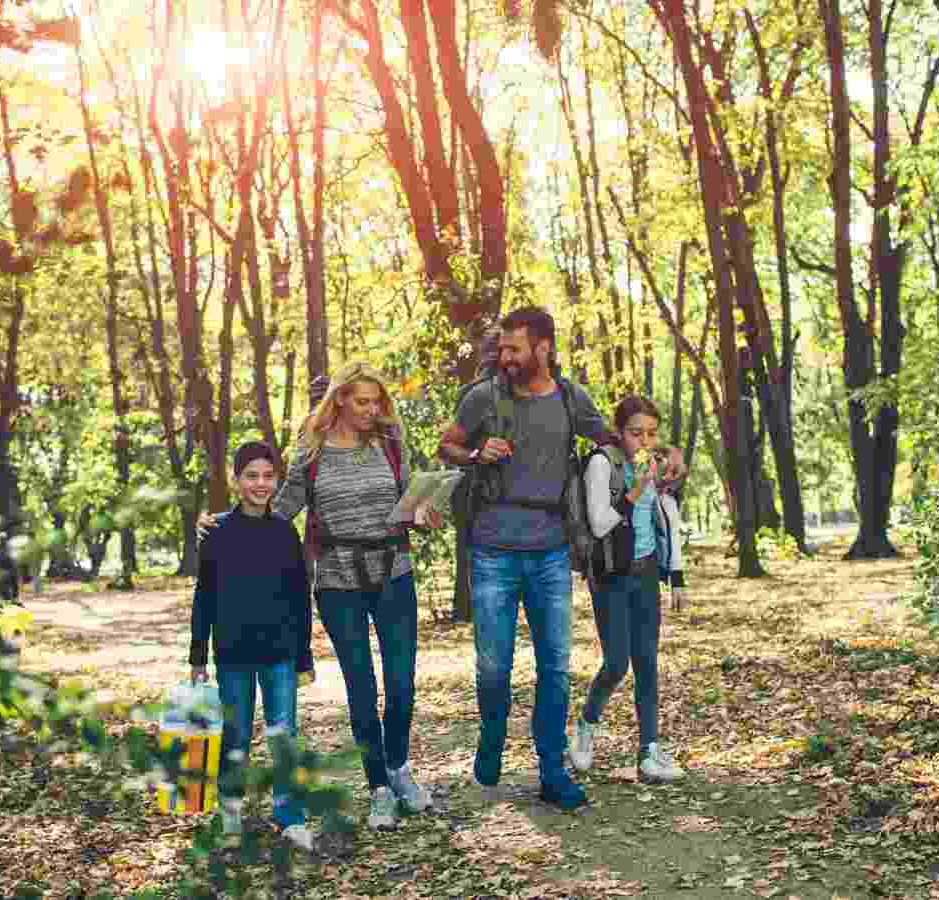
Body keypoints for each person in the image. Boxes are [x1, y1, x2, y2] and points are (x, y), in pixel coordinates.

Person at [436, 306, 688, 810]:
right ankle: (491, 734)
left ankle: (552, 769)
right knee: (493, 667)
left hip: (552, 549)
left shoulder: (572, 399)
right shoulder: (483, 396)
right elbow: (447, 445)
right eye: (502, 347)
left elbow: (618, 441)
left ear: (543, 348)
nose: (504, 355)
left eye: (514, 347)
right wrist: (474, 454)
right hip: (492, 548)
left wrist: (669, 454)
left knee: (555, 666)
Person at [206, 361, 440, 830]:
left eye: (376, 402)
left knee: (401, 684)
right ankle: (377, 787)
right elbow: (281, 506)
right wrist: (223, 524)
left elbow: (407, 501)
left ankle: (398, 767)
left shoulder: (391, 442)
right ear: (339, 400)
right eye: (361, 402)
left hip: (394, 572)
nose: (371, 410)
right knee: (360, 686)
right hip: (337, 582)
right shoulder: (311, 452)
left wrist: (424, 511)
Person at [189, 441, 317, 852]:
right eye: (251, 476)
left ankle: (289, 813)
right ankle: (230, 811)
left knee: (284, 734)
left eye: (267, 476)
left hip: (279, 651)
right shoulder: (216, 531)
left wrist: (304, 656)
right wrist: (197, 655)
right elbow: (204, 596)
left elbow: (300, 596)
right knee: (236, 734)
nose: (260, 484)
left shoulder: (284, 530)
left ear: (276, 480)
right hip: (232, 654)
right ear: (237, 479)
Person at [570, 395, 687, 783]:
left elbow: (665, 516)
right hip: (610, 574)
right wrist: (635, 492)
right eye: (636, 433)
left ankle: (648, 752)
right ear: (620, 433)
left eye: (652, 434)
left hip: (646, 571)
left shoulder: (652, 463)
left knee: (648, 664)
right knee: (618, 662)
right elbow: (600, 522)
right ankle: (586, 724)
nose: (645, 441)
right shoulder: (602, 463)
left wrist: (677, 575)